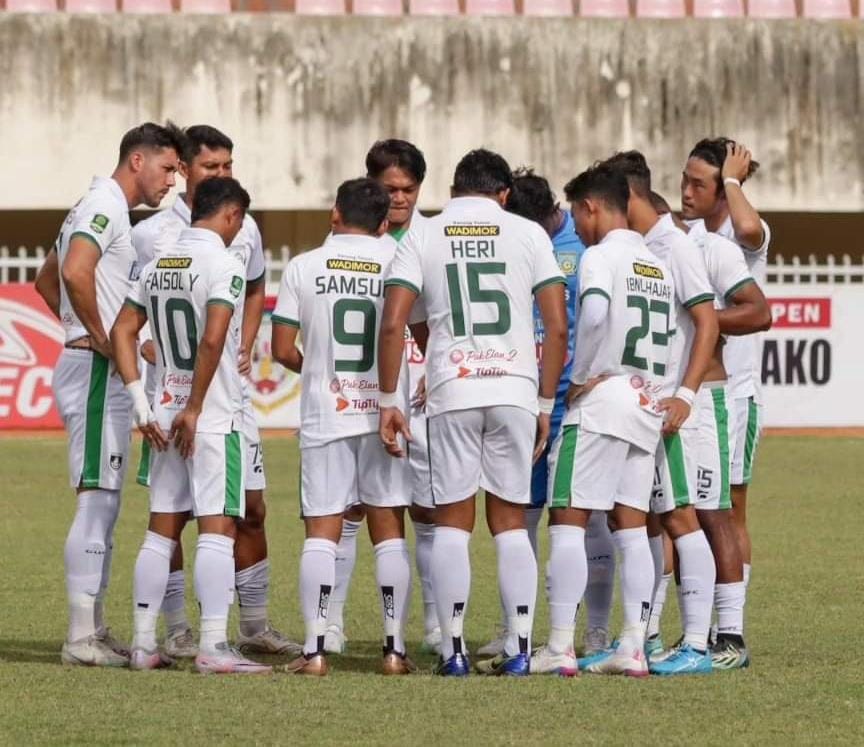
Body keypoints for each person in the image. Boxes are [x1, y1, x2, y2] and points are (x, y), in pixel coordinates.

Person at [378, 149, 568, 677]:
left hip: (452, 389)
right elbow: (555, 327)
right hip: (514, 390)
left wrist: (392, 399)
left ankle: (454, 651)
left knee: (452, 525)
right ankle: (522, 650)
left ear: (456, 188)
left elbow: (395, 323)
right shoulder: (529, 234)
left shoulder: (424, 233)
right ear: (503, 194)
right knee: (509, 524)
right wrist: (546, 404)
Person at [131, 125, 297, 659]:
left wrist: (244, 344)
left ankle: (249, 625)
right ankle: (190, 635)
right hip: (193, 400)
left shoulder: (238, 233)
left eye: (228, 165)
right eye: (212, 167)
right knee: (197, 520)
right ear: (184, 170)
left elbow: (253, 290)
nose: (223, 174)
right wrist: (149, 355)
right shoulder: (153, 234)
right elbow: (187, 331)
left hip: (210, 397)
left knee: (248, 509)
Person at [37, 122, 184, 667]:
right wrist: (100, 339)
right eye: (168, 168)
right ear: (137, 160)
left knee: (106, 497)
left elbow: (45, 280)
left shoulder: (90, 203)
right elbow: (74, 272)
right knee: (98, 500)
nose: (172, 181)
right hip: (95, 372)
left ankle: (93, 628)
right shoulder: (104, 203)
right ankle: (80, 637)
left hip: (86, 364)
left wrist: (79, 326)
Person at [112, 176, 270, 674]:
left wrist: (142, 403)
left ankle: (142, 644)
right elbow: (214, 340)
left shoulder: (160, 263)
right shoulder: (224, 265)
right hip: (211, 416)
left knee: (161, 529)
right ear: (230, 216)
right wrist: (197, 407)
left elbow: (123, 329)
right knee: (218, 528)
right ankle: (213, 646)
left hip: (161, 411)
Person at [271, 178, 414, 676]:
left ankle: (313, 651)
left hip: (326, 411)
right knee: (389, 529)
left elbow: (281, 347)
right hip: (384, 411)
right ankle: (394, 649)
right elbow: (417, 331)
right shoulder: (400, 261)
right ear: (383, 222)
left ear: (335, 213)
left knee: (323, 530)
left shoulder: (303, 266)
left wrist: (317, 371)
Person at [536, 163, 674, 677]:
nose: (578, 224)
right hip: (646, 402)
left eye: (577, 213)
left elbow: (593, 315)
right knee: (632, 526)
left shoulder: (599, 256)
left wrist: (583, 374)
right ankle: (634, 648)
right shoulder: (656, 264)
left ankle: (558, 647)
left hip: (604, 400)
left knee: (568, 517)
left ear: (591, 206)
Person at [478, 168, 608, 660]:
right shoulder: (519, 242)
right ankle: (519, 630)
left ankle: (593, 629)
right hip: (525, 401)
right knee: (521, 517)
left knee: (584, 519)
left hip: (573, 402)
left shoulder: (585, 247)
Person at [600, 152, 720, 675]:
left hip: (668, 409)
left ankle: (696, 642)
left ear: (628, 197)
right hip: (639, 409)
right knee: (638, 517)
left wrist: (686, 395)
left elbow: (707, 322)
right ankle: (641, 637)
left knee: (679, 517)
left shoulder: (677, 245)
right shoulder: (641, 247)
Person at [324, 139, 440, 655]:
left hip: (421, 394)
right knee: (349, 509)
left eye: (408, 189)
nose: (399, 198)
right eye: (390, 189)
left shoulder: (433, 239)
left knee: (428, 511)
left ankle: (436, 625)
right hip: (358, 398)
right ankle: (332, 624)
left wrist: (436, 371)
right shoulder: (350, 237)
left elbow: (439, 324)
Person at [682, 139, 770, 656]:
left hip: (734, 393)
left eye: (700, 183)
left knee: (729, 510)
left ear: (722, 190)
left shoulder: (741, 234)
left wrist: (735, 182)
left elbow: (751, 230)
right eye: (684, 179)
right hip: (696, 390)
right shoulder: (686, 237)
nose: (685, 191)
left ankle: (728, 626)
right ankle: (699, 626)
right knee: (686, 508)